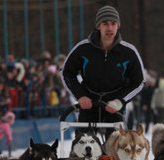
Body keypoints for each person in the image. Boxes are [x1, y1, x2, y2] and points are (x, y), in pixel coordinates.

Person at [61, 5, 145, 139]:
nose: (110, 28)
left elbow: (139, 81)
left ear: (118, 26)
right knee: (83, 147)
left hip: (114, 106)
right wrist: (80, 96)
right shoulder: (83, 49)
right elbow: (66, 72)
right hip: (89, 104)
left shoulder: (129, 52)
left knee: (115, 149)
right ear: (98, 26)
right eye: (105, 24)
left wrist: (120, 101)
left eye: (113, 23)